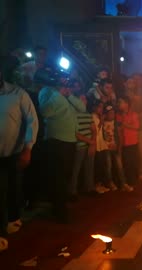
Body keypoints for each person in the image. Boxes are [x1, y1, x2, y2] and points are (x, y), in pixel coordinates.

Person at [37, 69, 86, 223]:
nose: (65, 81)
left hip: (69, 140)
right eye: (63, 78)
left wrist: (68, 94)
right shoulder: (47, 92)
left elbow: (82, 108)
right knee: (57, 176)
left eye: (66, 78)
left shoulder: (66, 93)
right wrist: (59, 94)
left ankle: (61, 206)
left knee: (65, 175)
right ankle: (59, 210)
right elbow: (45, 111)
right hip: (56, 140)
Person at [0, 69, 39, 251]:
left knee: (12, 188)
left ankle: (13, 219)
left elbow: (32, 120)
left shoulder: (17, 94)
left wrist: (28, 147)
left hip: (13, 151)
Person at [69, 98, 97, 199]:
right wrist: (91, 142)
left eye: (85, 99)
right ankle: (72, 192)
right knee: (75, 169)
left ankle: (90, 188)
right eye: (82, 99)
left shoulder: (88, 114)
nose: (84, 101)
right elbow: (76, 133)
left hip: (89, 145)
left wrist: (92, 144)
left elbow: (94, 130)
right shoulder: (73, 115)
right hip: (80, 146)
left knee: (89, 168)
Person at [103, 104, 133, 192]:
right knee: (108, 166)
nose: (112, 115)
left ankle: (123, 183)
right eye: (110, 113)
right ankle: (110, 182)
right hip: (106, 148)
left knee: (119, 166)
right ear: (106, 114)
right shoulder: (102, 123)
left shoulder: (116, 123)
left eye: (113, 113)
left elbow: (120, 136)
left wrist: (119, 148)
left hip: (115, 148)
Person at [116, 96, 141, 185]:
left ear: (126, 104)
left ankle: (134, 181)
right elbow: (118, 128)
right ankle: (127, 182)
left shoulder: (133, 114)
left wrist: (125, 125)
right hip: (123, 144)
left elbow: (137, 127)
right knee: (126, 164)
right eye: (118, 102)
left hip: (133, 142)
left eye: (121, 102)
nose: (119, 104)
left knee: (133, 162)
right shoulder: (117, 115)